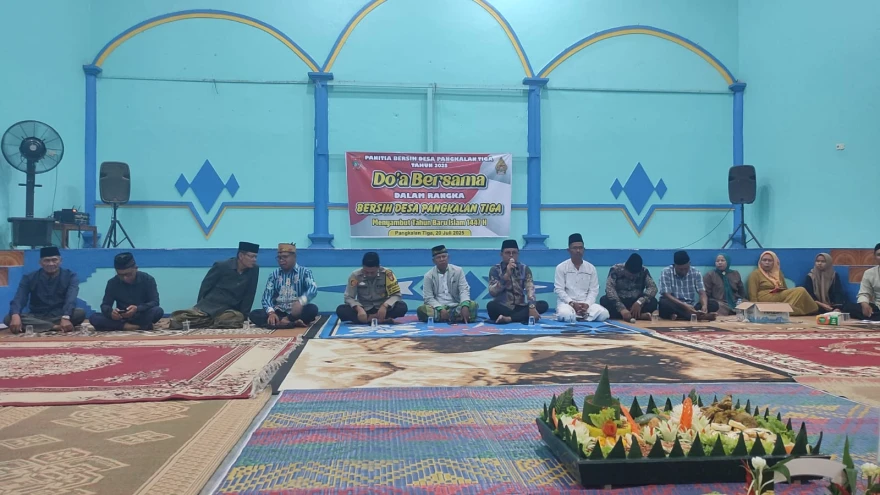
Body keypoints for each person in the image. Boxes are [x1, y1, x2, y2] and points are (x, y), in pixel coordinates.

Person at [169, 241, 260, 329]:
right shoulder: (222, 266)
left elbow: (250, 294)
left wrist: (244, 316)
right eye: (252, 256)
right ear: (241, 256)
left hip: (229, 310)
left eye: (256, 257)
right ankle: (207, 320)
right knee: (179, 318)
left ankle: (206, 321)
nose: (254, 260)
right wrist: (200, 306)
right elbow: (206, 286)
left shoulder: (254, 270)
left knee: (236, 318)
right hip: (211, 305)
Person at [4, 246, 85, 333]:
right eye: (46, 260)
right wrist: (15, 314)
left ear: (60, 261)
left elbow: (71, 298)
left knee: (79, 313)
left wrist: (66, 316)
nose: (51, 264)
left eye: (54, 260)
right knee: (9, 318)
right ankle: (55, 327)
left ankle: (41, 326)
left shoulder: (70, 276)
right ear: (40, 263)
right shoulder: (29, 277)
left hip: (60, 315)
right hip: (37, 316)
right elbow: (20, 298)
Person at [249, 243, 319, 328]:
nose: (281, 260)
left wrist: (301, 302)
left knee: (312, 309)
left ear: (294, 257)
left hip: (295, 313)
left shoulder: (305, 272)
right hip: (278, 311)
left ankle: (283, 322)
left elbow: (313, 289)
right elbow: (267, 296)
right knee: (254, 314)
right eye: (279, 258)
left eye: (285, 257)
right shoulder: (274, 274)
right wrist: (271, 313)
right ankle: (291, 323)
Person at [89, 252, 163, 331]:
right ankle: (135, 327)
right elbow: (105, 305)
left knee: (158, 311)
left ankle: (121, 326)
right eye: (120, 275)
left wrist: (137, 308)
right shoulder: (112, 283)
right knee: (94, 318)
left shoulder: (148, 279)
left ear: (136, 268)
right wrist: (111, 313)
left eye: (128, 274)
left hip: (140, 316)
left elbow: (155, 302)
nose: (125, 278)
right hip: (120, 318)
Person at [487, 239, 549, 324]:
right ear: (501, 254)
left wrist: (531, 306)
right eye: (507, 253)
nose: (511, 255)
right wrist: (506, 276)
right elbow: (493, 292)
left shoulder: (524, 269)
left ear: (518, 254)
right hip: (503, 307)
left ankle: (509, 319)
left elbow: (530, 289)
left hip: (520, 306)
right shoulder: (495, 269)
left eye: (514, 253)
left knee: (543, 305)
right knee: (491, 306)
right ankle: (521, 317)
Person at [337, 252, 408, 323]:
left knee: (402, 306)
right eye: (366, 272)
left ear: (378, 267)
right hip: (364, 309)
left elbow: (396, 295)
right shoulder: (355, 275)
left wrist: (385, 305)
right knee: (341, 310)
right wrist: (358, 308)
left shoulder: (387, 274)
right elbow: (348, 297)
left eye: (372, 272)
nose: (369, 275)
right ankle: (377, 319)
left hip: (382, 309)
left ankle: (367, 320)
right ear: (362, 266)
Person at [554, 233, 609, 322]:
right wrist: (572, 303)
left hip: (586, 304)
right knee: (565, 314)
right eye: (575, 248)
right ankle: (583, 316)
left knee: (604, 314)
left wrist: (587, 304)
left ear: (584, 249)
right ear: (568, 250)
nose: (578, 251)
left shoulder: (591, 268)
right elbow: (559, 290)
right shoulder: (561, 267)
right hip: (567, 304)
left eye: (580, 248)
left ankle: (581, 315)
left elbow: (594, 290)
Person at [747, 250, 819, 316]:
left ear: (775, 262)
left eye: (770, 260)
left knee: (798, 296)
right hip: (764, 297)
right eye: (764, 260)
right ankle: (787, 310)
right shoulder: (755, 274)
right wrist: (755, 308)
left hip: (779, 295)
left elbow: (785, 289)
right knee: (801, 290)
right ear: (760, 262)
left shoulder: (778, 273)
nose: (767, 262)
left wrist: (783, 291)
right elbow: (752, 293)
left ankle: (786, 310)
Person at [417, 245, 477, 323]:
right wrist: (441, 309)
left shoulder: (458, 271)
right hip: (437, 307)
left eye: (444, 257)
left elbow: (464, 289)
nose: (442, 259)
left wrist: (464, 305)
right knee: (422, 310)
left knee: (472, 305)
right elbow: (428, 298)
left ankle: (445, 317)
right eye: (438, 257)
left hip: (456, 306)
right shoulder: (428, 276)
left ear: (448, 258)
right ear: (434, 261)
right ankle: (455, 317)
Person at [658, 250, 718, 321]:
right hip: (675, 304)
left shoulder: (696, 272)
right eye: (680, 269)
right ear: (675, 265)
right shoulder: (666, 272)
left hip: (691, 306)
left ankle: (684, 315)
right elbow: (666, 294)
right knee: (663, 303)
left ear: (689, 264)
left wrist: (704, 306)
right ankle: (695, 316)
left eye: (686, 269)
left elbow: (702, 293)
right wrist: (685, 306)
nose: (683, 271)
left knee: (713, 304)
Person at [600, 253, 659, 321]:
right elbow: (610, 289)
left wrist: (640, 302)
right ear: (625, 269)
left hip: (636, 301)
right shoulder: (615, 269)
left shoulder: (644, 271)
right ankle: (639, 316)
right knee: (604, 301)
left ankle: (629, 316)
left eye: (634, 276)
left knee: (653, 302)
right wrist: (621, 308)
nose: (631, 278)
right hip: (619, 300)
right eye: (630, 274)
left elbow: (653, 288)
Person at [854, 243, 880, 321]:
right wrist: (864, 304)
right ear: (875, 257)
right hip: (877, 307)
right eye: (879, 255)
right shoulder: (869, 273)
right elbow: (863, 293)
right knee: (848, 307)